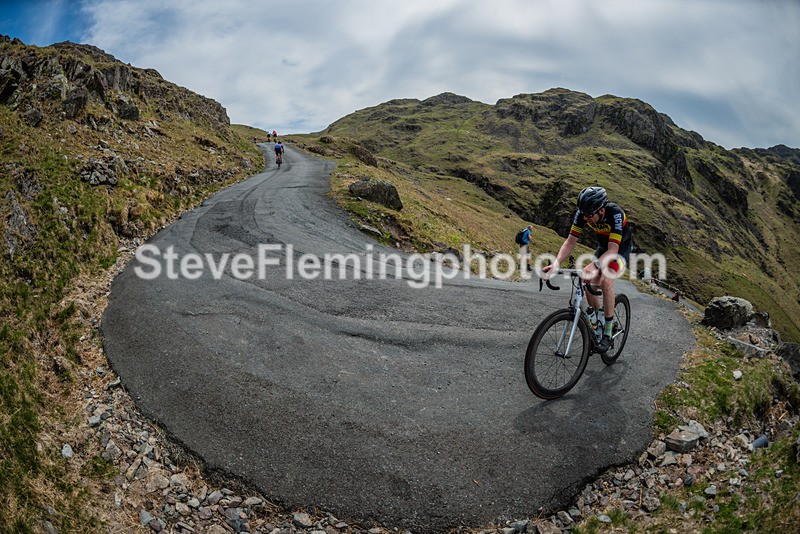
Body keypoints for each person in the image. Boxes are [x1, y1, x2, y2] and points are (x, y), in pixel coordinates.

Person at [542, 186, 632, 353]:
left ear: (602, 210)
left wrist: (595, 265)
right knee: (587, 281)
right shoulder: (583, 214)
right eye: (583, 214)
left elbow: (612, 251)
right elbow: (570, 242)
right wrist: (556, 264)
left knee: (605, 282)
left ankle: (607, 332)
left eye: (589, 215)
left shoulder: (615, 214)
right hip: (603, 248)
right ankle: (598, 321)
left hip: (619, 249)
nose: (586, 218)